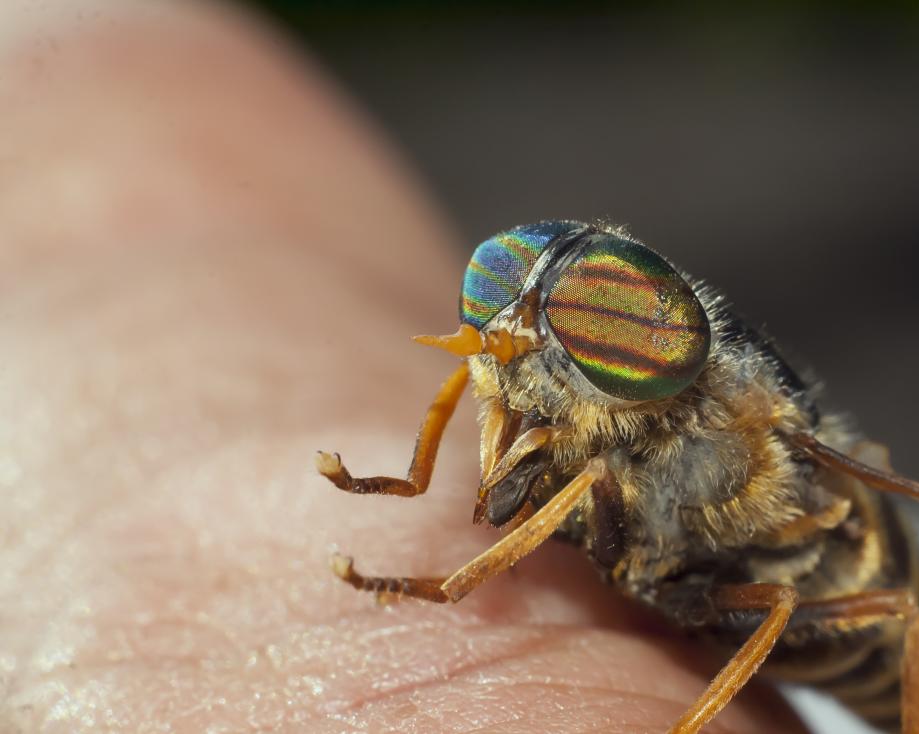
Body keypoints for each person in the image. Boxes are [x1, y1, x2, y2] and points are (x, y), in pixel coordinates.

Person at [0, 2, 807, 732]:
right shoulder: (566, 399)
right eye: (502, 296)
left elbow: (772, 592)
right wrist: (411, 482)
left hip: (815, 587)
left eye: (593, 321)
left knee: (811, 600)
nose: (519, 332)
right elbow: (487, 377)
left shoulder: (694, 428)